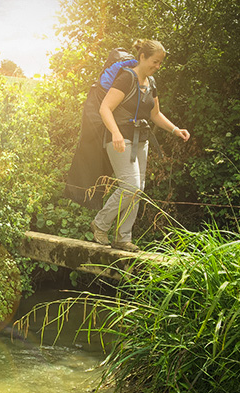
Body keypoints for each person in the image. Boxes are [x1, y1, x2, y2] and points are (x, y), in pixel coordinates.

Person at [65, 39, 190, 252]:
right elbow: (105, 108)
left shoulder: (151, 83)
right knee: (130, 185)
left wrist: (175, 129)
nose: (157, 66)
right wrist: (115, 133)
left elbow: (155, 114)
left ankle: (123, 238)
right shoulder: (126, 78)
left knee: (137, 189)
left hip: (141, 139)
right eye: (154, 61)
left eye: (160, 63)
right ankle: (101, 223)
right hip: (119, 138)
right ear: (142, 57)